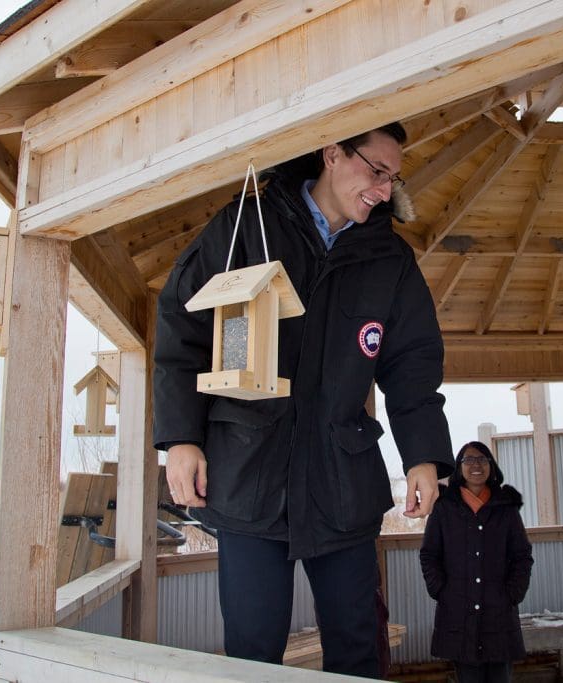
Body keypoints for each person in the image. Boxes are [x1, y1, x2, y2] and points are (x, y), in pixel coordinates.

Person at [152, 122, 456, 678]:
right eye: (377, 171)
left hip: (342, 483)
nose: (386, 191)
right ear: (334, 153)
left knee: (359, 649)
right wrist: (182, 438)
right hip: (247, 477)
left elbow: (412, 367)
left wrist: (424, 457)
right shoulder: (249, 223)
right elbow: (180, 326)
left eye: (395, 178)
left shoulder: (390, 261)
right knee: (252, 651)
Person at [419, 441, 534, 683]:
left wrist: (513, 593)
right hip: (458, 612)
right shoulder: (444, 507)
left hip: (499, 612)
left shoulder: (506, 507)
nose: (476, 465)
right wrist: (441, 590)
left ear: (492, 467)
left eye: (482, 459)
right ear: (459, 467)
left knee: (500, 676)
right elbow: (429, 554)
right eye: (469, 460)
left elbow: (522, 555)